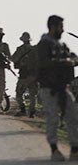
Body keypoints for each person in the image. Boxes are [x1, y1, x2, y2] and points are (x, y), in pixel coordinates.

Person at [37, 15, 78, 161]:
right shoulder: (44, 44)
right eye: (60, 27)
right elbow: (43, 63)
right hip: (49, 88)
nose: (62, 30)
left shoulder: (60, 45)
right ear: (53, 27)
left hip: (63, 87)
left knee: (73, 116)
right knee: (52, 119)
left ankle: (74, 149)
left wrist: (72, 60)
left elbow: (73, 58)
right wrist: (63, 62)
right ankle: (54, 150)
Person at [11, 31, 39, 118]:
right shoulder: (35, 49)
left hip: (24, 75)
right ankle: (32, 112)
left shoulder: (20, 49)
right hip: (34, 75)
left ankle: (22, 109)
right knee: (32, 95)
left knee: (19, 93)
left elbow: (13, 59)